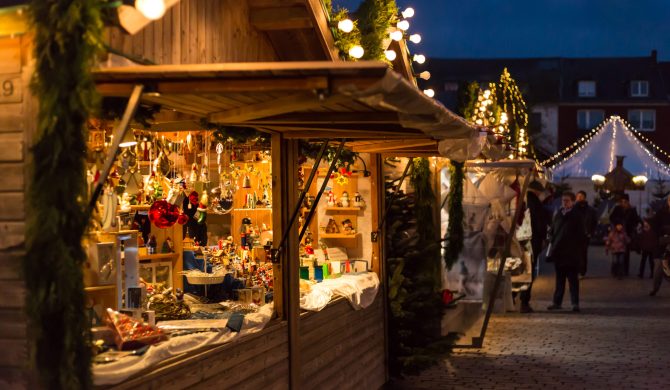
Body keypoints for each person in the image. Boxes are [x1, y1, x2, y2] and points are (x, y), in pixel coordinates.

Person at [547, 192, 587, 312]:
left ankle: (575, 303)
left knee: (573, 280)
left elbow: (581, 234)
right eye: (563, 200)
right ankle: (557, 302)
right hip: (559, 252)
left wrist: (579, 251)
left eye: (567, 200)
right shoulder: (559, 214)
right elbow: (554, 229)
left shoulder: (576, 215)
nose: (565, 202)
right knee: (559, 279)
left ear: (573, 202)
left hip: (571, 253)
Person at [519, 180, 551, 313]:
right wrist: (543, 238)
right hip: (533, 242)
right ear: (537, 191)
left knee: (521, 269)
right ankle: (524, 301)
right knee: (529, 272)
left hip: (521, 241)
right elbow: (540, 224)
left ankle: (515, 298)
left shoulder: (523, 201)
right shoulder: (536, 204)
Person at [609, 194, 640, 276]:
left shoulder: (632, 209)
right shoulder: (617, 208)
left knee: (625, 253)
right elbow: (611, 218)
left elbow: (636, 220)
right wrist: (617, 224)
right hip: (617, 233)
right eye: (622, 201)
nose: (623, 203)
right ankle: (615, 270)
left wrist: (632, 226)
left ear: (628, 201)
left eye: (625, 201)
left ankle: (624, 271)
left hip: (627, 233)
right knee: (616, 253)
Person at [574, 190, 597, 277]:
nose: (579, 198)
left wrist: (591, 232)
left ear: (584, 197)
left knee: (583, 253)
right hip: (574, 235)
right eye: (578, 196)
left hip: (585, 234)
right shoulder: (573, 208)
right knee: (574, 253)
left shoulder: (590, 210)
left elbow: (594, 222)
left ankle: (582, 271)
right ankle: (575, 270)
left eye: (581, 196)